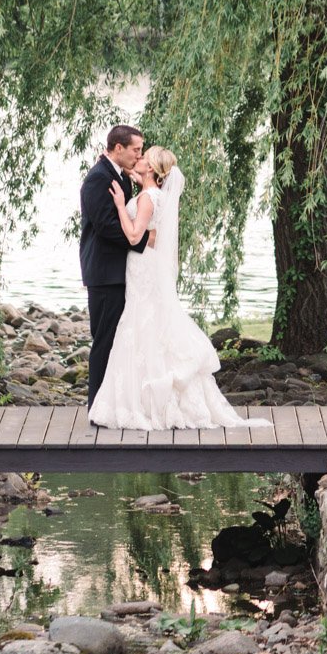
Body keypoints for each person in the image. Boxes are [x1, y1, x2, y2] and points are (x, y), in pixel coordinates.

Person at [88, 145, 266, 431]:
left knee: (139, 326)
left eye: (144, 157)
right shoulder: (155, 194)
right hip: (145, 266)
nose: (139, 158)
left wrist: (122, 205)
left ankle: (143, 405)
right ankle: (145, 398)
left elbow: (135, 236)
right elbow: (145, 197)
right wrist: (120, 168)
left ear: (153, 169)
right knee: (146, 324)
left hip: (141, 265)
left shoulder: (147, 198)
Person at [79, 124, 147, 408]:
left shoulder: (120, 176)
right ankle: (97, 407)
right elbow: (106, 226)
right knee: (104, 342)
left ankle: (113, 403)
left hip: (118, 271)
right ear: (118, 148)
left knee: (119, 341)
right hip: (105, 274)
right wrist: (141, 241)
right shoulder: (98, 179)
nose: (139, 155)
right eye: (135, 150)